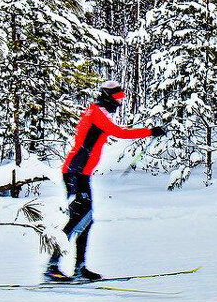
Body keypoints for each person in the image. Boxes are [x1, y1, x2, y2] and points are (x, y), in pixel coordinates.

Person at [45, 80, 165, 282]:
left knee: (86, 221)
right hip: (75, 172)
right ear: (109, 97)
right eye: (118, 99)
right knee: (78, 220)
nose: (119, 103)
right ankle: (52, 266)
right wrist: (150, 131)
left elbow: (114, 129)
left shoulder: (97, 112)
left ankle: (80, 267)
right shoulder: (96, 113)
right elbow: (119, 132)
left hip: (81, 173)